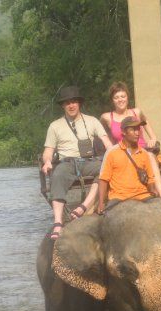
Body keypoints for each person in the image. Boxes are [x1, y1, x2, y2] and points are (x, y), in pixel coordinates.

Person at [41, 86, 113, 239]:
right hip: (67, 163)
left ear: (79, 103)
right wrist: (47, 162)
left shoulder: (92, 121)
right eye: (67, 103)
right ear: (63, 106)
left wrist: (115, 156)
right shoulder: (55, 126)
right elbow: (48, 150)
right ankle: (58, 222)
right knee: (58, 174)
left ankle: (84, 206)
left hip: (89, 161)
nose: (71, 106)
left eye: (74, 102)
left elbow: (107, 144)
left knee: (105, 169)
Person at [100, 81, 161, 197]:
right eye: (116, 97)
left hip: (140, 149)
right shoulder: (106, 118)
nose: (120, 100)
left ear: (127, 97)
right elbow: (102, 134)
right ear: (112, 100)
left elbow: (148, 127)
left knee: (149, 156)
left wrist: (153, 138)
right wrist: (109, 145)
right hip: (122, 151)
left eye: (123, 96)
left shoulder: (136, 112)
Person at [97, 117, 156, 215]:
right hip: (119, 199)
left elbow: (151, 179)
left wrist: (154, 195)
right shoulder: (112, 152)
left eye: (138, 129)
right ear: (123, 132)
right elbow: (103, 179)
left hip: (143, 196)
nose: (137, 133)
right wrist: (101, 203)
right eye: (133, 129)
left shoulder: (144, 153)